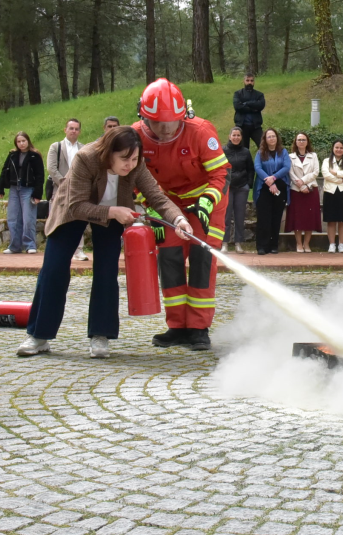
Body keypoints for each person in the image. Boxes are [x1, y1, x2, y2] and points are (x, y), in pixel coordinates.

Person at [17, 126, 192, 360]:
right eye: (124, 159)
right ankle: (38, 335)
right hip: (73, 211)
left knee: (106, 272)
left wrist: (179, 220)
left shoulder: (135, 164)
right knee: (53, 270)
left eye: (134, 159)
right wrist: (112, 211)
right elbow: (76, 206)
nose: (130, 165)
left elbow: (157, 197)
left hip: (113, 215)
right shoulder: (85, 158)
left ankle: (100, 334)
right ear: (109, 152)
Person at [133, 78, 230, 352]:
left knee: (201, 261)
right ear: (143, 116)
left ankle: (199, 328)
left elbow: (220, 175)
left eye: (170, 124)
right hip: (164, 205)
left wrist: (207, 203)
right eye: (157, 124)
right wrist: (151, 209)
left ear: (183, 116)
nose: (164, 131)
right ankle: (177, 326)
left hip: (205, 203)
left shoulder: (200, 131)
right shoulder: (135, 136)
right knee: (170, 260)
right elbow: (133, 179)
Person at [0, 131, 45, 254]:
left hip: (28, 189)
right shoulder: (12, 155)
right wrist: (0, 188)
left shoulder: (34, 155)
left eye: (23, 141)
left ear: (28, 141)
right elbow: (4, 171)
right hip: (14, 188)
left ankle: (30, 245)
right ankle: (15, 246)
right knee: (13, 218)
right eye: (19, 141)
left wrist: (37, 194)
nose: (21, 144)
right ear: (16, 143)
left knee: (28, 218)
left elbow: (40, 176)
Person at [48, 118, 88, 261]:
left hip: (78, 190)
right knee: (58, 218)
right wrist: (64, 183)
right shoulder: (56, 147)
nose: (74, 131)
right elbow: (52, 168)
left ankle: (79, 250)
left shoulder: (84, 148)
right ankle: (58, 249)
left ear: (79, 131)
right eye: (71, 128)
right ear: (65, 130)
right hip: (60, 189)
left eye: (76, 129)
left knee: (79, 219)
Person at [253, 128, 290, 256]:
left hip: (279, 184)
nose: (271, 138)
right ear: (265, 139)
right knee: (264, 217)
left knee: (276, 216)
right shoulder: (260, 152)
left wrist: (273, 178)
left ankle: (274, 245)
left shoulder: (283, 152)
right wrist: (268, 180)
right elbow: (257, 167)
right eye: (269, 137)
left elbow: (286, 167)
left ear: (277, 138)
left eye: (273, 136)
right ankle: (262, 246)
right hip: (263, 186)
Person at [223, 126, 255, 254]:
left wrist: (248, 184)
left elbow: (250, 169)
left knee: (240, 217)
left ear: (241, 137)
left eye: (238, 135)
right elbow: (219, 168)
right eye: (234, 135)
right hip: (228, 187)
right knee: (226, 216)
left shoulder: (246, 152)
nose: (236, 137)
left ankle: (238, 243)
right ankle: (224, 243)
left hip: (242, 187)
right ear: (229, 136)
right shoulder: (223, 150)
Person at [322, 139, 343, 253]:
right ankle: (332, 244)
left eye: (341, 148)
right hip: (330, 192)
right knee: (331, 220)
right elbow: (325, 174)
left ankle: (341, 244)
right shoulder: (327, 161)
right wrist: (341, 180)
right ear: (333, 148)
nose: (339, 150)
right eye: (336, 147)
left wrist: (336, 173)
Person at [233, 73, 266, 151]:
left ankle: (263, 162)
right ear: (244, 81)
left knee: (264, 146)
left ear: (254, 82)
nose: (249, 82)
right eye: (247, 80)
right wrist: (254, 108)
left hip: (256, 126)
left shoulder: (259, 94)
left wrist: (246, 103)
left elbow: (261, 105)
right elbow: (237, 107)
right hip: (242, 126)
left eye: (251, 80)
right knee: (243, 150)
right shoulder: (238, 94)